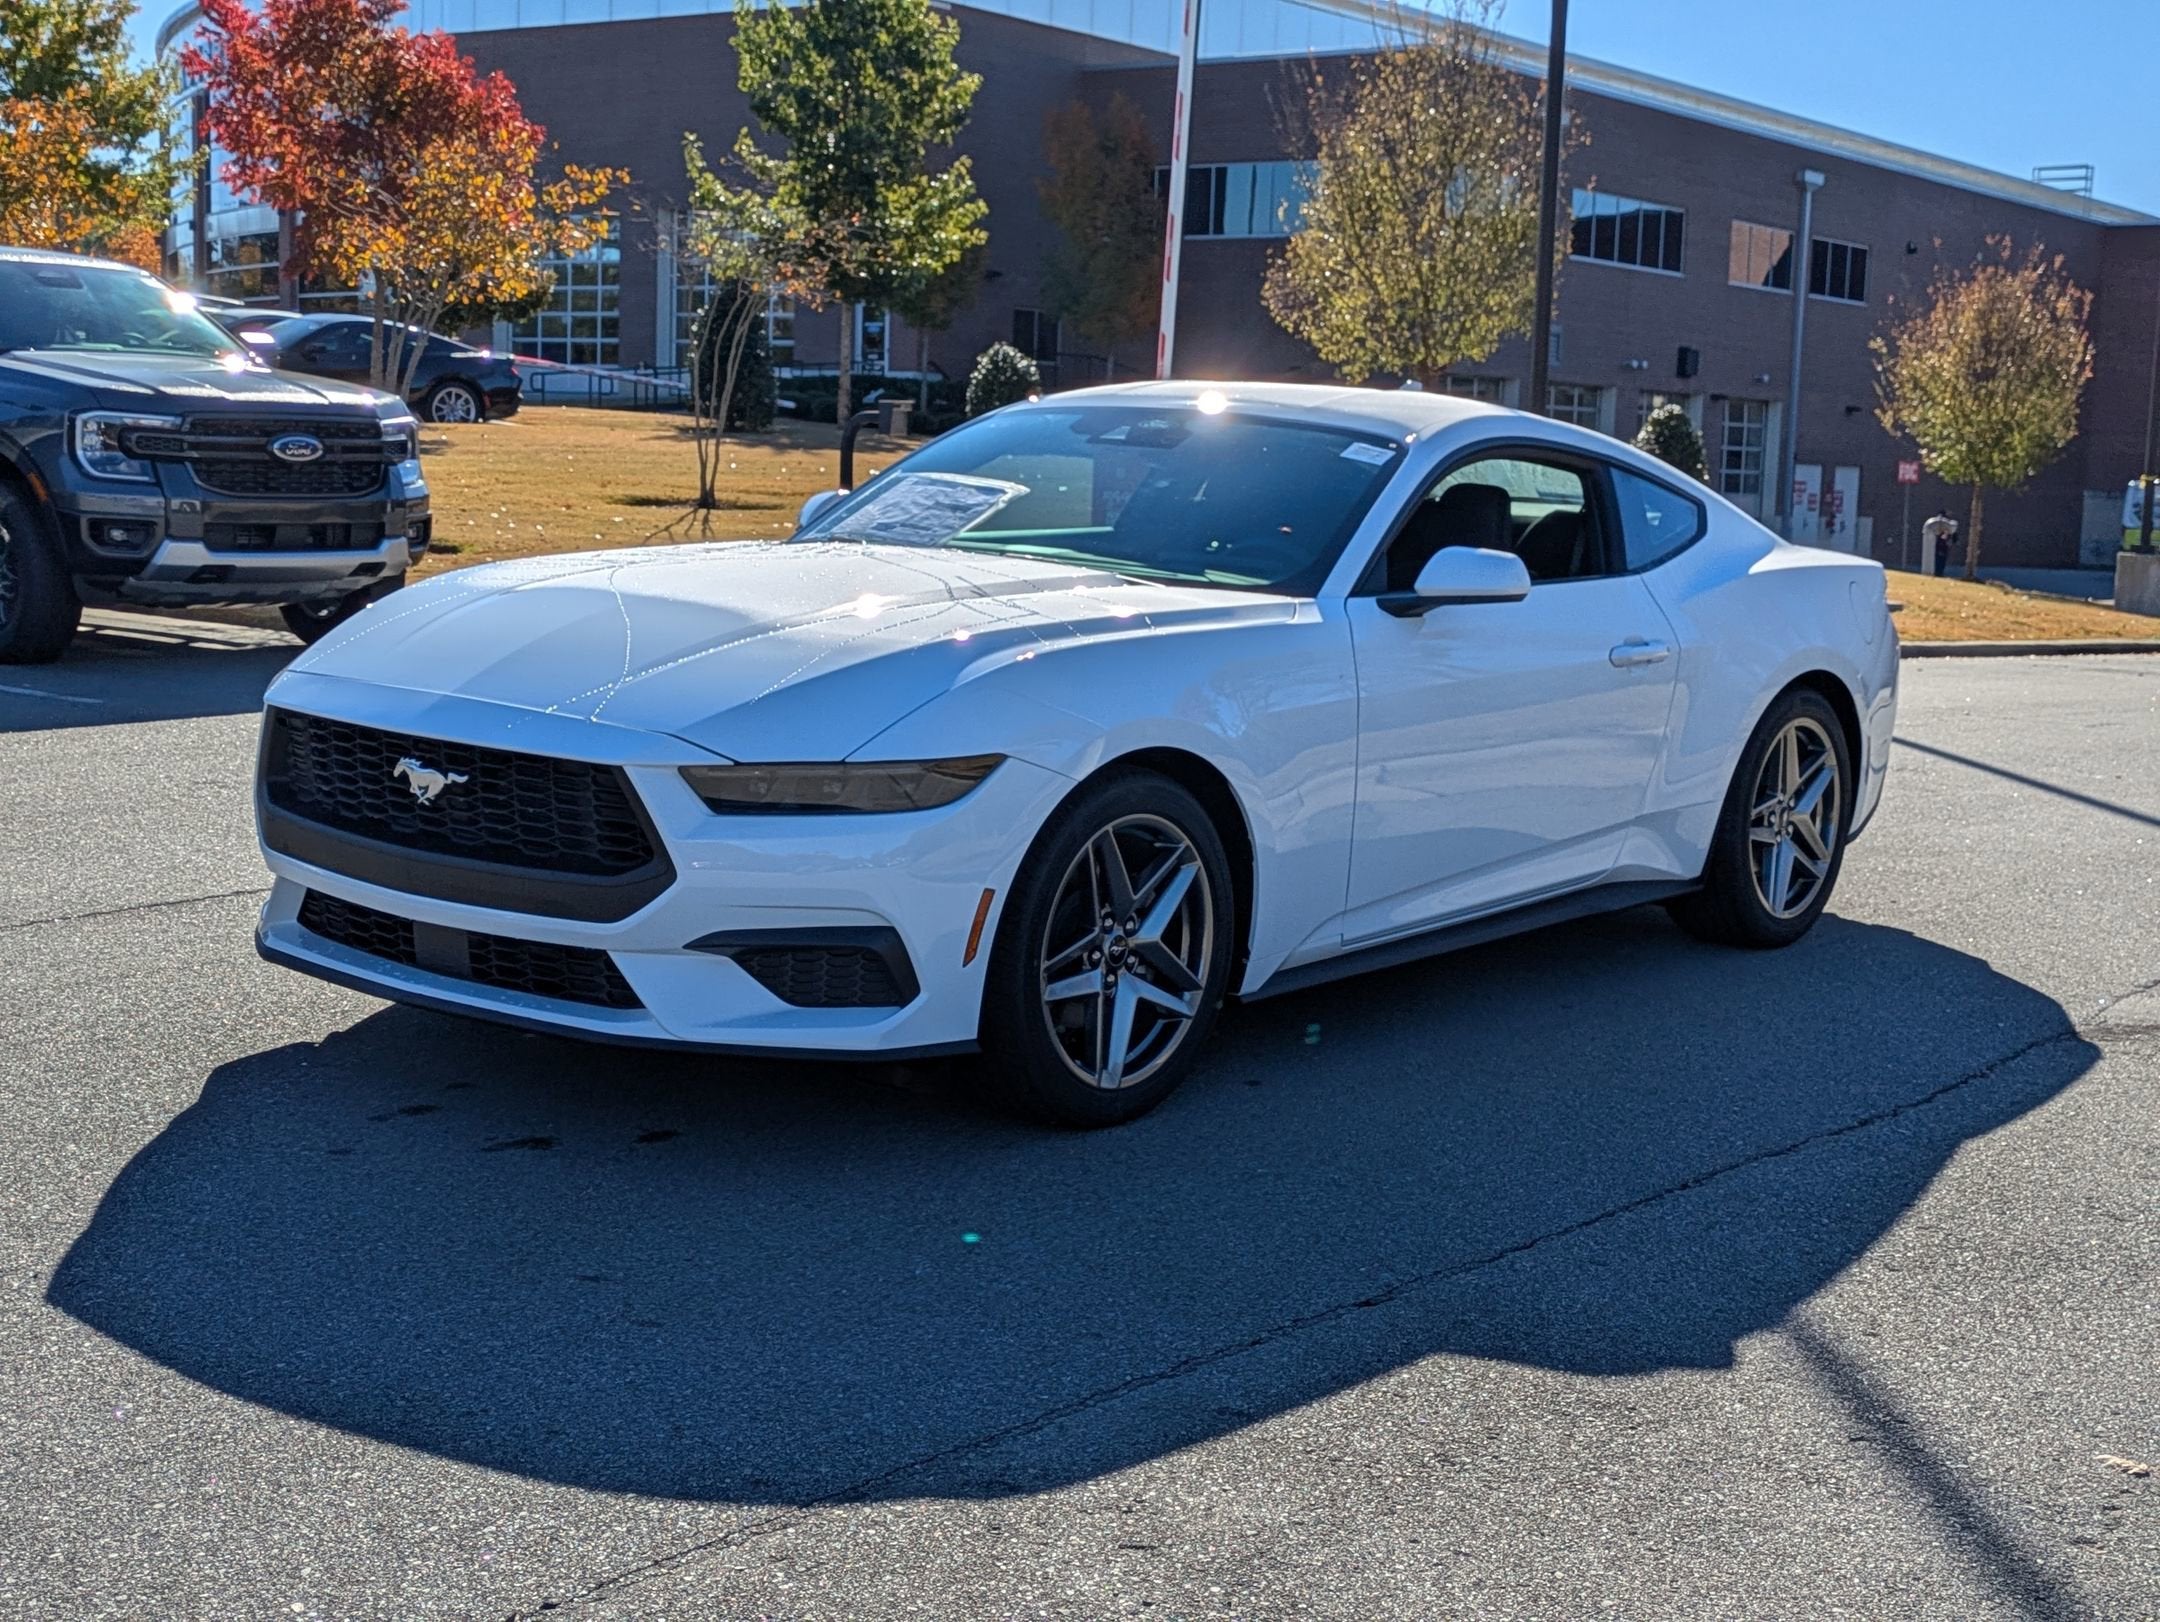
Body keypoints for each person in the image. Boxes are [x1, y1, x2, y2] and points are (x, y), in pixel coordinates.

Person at [1920, 510, 1957, 577]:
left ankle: (1938, 572)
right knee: (1940, 560)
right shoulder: (1942, 525)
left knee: (1939, 560)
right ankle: (1938, 573)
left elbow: (1953, 535)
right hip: (1941, 545)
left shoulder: (1945, 525)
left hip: (1940, 545)